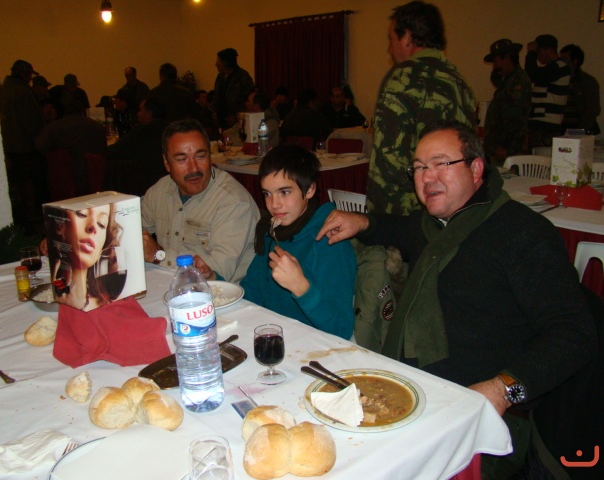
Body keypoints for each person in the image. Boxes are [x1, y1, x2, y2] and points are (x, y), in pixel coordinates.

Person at [316, 120, 597, 477]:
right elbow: (398, 228)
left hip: (486, 418)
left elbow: (574, 333)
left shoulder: (522, 235)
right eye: (419, 168)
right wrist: (363, 222)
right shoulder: (436, 226)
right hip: (417, 390)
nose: (426, 177)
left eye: (440, 164)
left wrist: (502, 390)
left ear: (476, 169)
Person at [367, 1, 476, 216]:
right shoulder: (459, 79)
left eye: (391, 39)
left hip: (410, 212)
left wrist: (378, 218)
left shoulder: (404, 78)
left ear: (407, 37)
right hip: (454, 204)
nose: (390, 48)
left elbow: (387, 161)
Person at [237, 145, 356, 339]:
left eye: (284, 192)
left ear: (309, 189)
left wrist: (301, 287)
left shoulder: (331, 242)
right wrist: (216, 282)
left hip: (318, 345)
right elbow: (252, 291)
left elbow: (342, 329)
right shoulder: (272, 232)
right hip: (278, 336)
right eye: (267, 194)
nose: (274, 204)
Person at [141, 119, 259, 282]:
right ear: (167, 163)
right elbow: (133, 227)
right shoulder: (162, 189)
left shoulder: (233, 202)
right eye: (181, 159)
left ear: (210, 157)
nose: (194, 168)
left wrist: (158, 255)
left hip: (219, 292)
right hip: (170, 283)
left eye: (201, 156)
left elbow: (217, 271)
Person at [0, 59, 47, 235]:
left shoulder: (5, 90)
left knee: (17, 187)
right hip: (25, 148)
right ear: (25, 74)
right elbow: (33, 122)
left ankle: (23, 222)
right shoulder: (23, 92)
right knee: (29, 185)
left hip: (10, 148)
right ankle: (32, 221)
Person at [44, 204, 121, 311]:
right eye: (82, 214)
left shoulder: (109, 302)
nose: (93, 227)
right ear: (60, 225)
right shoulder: (51, 301)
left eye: (101, 224)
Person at [482, 39, 532, 166]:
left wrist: (504, 146)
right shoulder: (508, 80)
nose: (494, 67)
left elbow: (515, 117)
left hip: (507, 149)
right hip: (498, 147)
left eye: (496, 61)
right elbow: (495, 78)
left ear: (507, 58)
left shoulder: (518, 81)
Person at [107, 96, 168, 196]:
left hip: (144, 189)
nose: (138, 114)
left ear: (149, 114)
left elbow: (112, 152)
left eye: (140, 110)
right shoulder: (172, 130)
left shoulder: (141, 133)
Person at [525, 34, 571, 148]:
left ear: (548, 50)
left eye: (538, 51)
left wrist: (531, 53)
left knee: (541, 157)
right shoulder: (552, 68)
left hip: (547, 126)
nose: (537, 56)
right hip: (541, 125)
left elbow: (533, 74)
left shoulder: (560, 66)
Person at [560, 44, 601, 135]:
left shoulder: (587, 81)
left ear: (575, 61)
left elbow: (592, 110)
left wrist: (580, 131)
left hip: (578, 129)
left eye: (564, 59)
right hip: (561, 129)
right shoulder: (559, 79)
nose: (561, 62)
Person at [213, 48, 255, 129]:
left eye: (218, 61)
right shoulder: (220, 77)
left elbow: (248, 100)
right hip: (221, 120)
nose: (216, 64)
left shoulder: (243, 76)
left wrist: (236, 116)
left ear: (226, 63)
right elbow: (216, 96)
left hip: (236, 122)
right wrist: (214, 112)